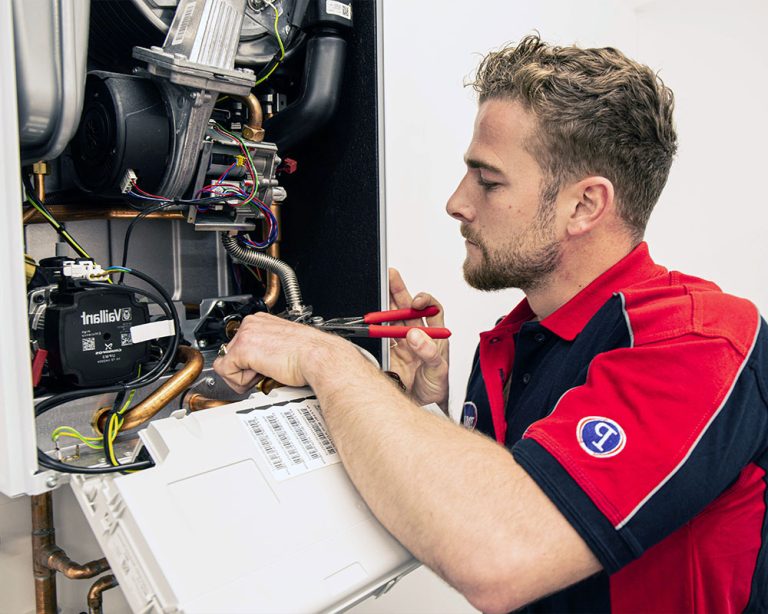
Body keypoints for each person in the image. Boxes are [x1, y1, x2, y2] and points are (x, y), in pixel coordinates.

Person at [214, 35, 768, 613]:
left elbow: (500, 555)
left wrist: (328, 361)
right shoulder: (512, 342)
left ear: (584, 205)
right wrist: (417, 409)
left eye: (489, 179)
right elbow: (472, 510)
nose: (457, 202)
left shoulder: (701, 342)